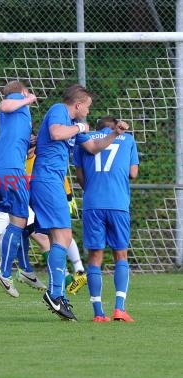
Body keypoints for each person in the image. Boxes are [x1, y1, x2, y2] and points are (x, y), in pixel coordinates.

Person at [30, 84, 129, 321]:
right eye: (87, 106)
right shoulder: (59, 110)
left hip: (52, 181)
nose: (88, 110)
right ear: (78, 104)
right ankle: (55, 294)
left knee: (57, 238)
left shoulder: (76, 127)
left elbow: (94, 147)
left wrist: (114, 133)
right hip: (47, 180)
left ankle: (58, 294)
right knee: (63, 237)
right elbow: (55, 133)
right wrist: (78, 127)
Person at [73, 116, 139, 322]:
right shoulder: (127, 139)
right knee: (120, 254)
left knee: (95, 256)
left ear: (97, 129)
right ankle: (119, 308)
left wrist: (93, 189)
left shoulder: (83, 139)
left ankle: (98, 313)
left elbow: (80, 176)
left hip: (93, 203)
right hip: (118, 203)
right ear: (115, 128)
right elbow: (133, 173)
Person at [25, 133, 87, 294]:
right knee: (49, 238)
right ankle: (21, 270)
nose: (30, 145)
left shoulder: (41, 160)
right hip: (24, 205)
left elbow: (61, 178)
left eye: (32, 141)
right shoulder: (19, 162)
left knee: (57, 235)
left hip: (38, 205)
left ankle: (75, 273)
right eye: (28, 141)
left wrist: (68, 197)